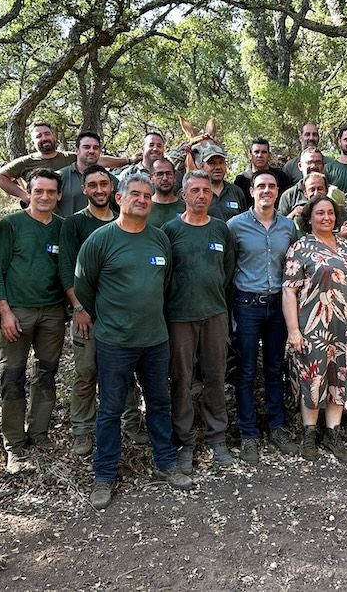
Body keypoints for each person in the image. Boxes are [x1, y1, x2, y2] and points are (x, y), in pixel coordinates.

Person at [74, 173, 193, 509]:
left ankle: (165, 463)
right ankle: (104, 475)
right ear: (119, 198)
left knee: (159, 402)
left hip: (155, 339)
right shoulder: (100, 240)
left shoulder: (159, 240)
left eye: (146, 195)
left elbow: (166, 284)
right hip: (114, 341)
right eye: (135, 194)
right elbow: (85, 287)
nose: (142, 199)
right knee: (110, 409)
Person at [59, 165, 146, 458]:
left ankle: (131, 423)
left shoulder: (128, 222)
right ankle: (82, 431)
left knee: (126, 373)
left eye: (104, 184)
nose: (99, 190)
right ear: (84, 189)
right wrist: (79, 309)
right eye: (92, 185)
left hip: (123, 316)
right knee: (86, 373)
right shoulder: (74, 224)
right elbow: (67, 271)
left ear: (113, 189)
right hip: (88, 316)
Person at [0, 168, 66, 471]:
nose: (44, 197)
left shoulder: (63, 227)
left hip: (53, 312)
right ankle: (14, 443)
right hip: (17, 312)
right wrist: (4, 311)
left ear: (59, 195)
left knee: (46, 373)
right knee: (13, 376)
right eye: (38, 191)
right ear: (28, 192)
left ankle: (39, 432)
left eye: (50, 192)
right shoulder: (11, 225)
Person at [161, 171, 237, 472]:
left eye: (206, 190)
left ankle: (217, 438)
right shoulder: (170, 230)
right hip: (180, 316)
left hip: (215, 314)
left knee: (216, 376)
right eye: (195, 190)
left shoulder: (221, 230)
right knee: (182, 379)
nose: (201, 196)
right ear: (184, 195)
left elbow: (228, 269)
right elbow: (164, 275)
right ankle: (184, 441)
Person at [283, 195, 347, 463]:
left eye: (330, 213)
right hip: (313, 325)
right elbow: (289, 292)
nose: (326, 217)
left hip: (344, 326)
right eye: (320, 213)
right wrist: (294, 330)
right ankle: (309, 432)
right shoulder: (300, 247)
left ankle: (334, 432)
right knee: (313, 376)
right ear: (309, 217)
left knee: (339, 376)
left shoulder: (345, 246)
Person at [227, 170, 300, 464]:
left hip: (278, 306)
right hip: (247, 304)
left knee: (274, 367)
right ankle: (248, 433)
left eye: (271, 186)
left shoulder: (288, 227)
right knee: (245, 371)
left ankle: (277, 426)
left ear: (278, 191)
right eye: (261, 186)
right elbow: (228, 268)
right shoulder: (235, 226)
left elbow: (295, 267)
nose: (266, 190)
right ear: (252, 191)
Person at [0, 121, 133, 204]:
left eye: (47, 134)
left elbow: (99, 159)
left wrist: (128, 160)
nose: (44, 138)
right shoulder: (25, 162)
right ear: (33, 141)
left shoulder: (69, 157)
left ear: (54, 136)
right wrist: (24, 195)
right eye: (39, 136)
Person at [57, 131, 116, 216]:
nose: (91, 151)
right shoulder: (60, 177)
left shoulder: (111, 180)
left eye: (95, 148)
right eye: (86, 147)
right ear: (76, 150)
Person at [289, 172, 347, 240]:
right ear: (305, 193)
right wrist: (340, 236)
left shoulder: (341, 210)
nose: (316, 193)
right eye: (312, 190)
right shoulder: (301, 216)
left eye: (320, 189)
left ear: (326, 190)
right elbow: (304, 242)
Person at [233, 138, 291, 207]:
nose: (260, 155)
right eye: (256, 152)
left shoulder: (281, 177)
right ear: (250, 155)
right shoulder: (241, 180)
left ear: (269, 155)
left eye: (264, 152)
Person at [198, 144, 247, 222]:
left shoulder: (236, 192)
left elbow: (245, 221)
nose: (218, 167)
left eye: (221, 162)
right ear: (202, 166)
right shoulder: (195, 193)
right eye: (212, 163)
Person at [278, 148, 329, 218]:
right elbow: (279, 226)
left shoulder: (333, 193)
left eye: (318, 162)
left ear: (323, 166)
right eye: (309, 162)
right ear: (300, 166)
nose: (314, 166)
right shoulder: (289, 196)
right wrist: (292, 215)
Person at [147, 158, 186, 228]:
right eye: (159, 174)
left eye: (168, 174)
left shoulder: (186, 208)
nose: (165, 178)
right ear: (151, 178)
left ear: (174, 177)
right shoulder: (144, 207)